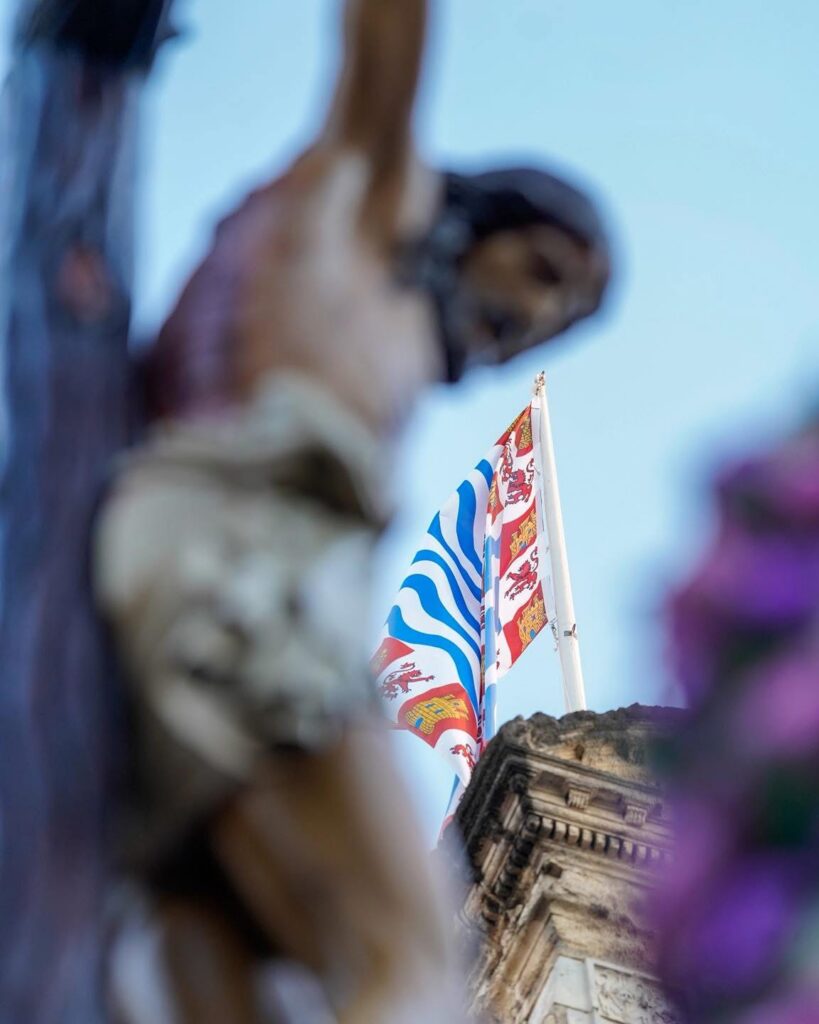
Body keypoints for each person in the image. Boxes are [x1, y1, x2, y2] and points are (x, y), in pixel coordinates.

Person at [94, 2, 611, 1020]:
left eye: (563, 319)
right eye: (543, 272)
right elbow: (386, 34)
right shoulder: (366, 196)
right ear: (474, 219)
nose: (535, 316)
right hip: (248, 567)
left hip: (178, 580)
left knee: (240, 980)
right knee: (416, 966)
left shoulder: (361, 299)